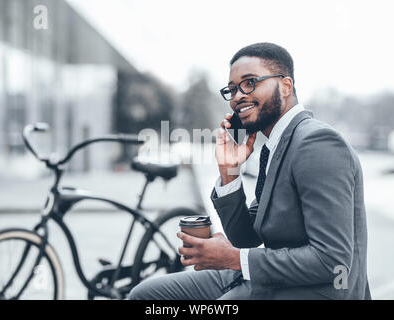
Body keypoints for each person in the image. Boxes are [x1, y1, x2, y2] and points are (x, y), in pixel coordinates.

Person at [128, 42, 371, 300]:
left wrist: (233, 258)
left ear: (286, 86)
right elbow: (246, 237)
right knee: (145, 295)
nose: (237, 97)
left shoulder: (317, 143)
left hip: (316, 291)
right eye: (231, 90)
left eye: (249, 83)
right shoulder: (275, 146)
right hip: (270, 279)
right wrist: (230, 171)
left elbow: (332, 261)